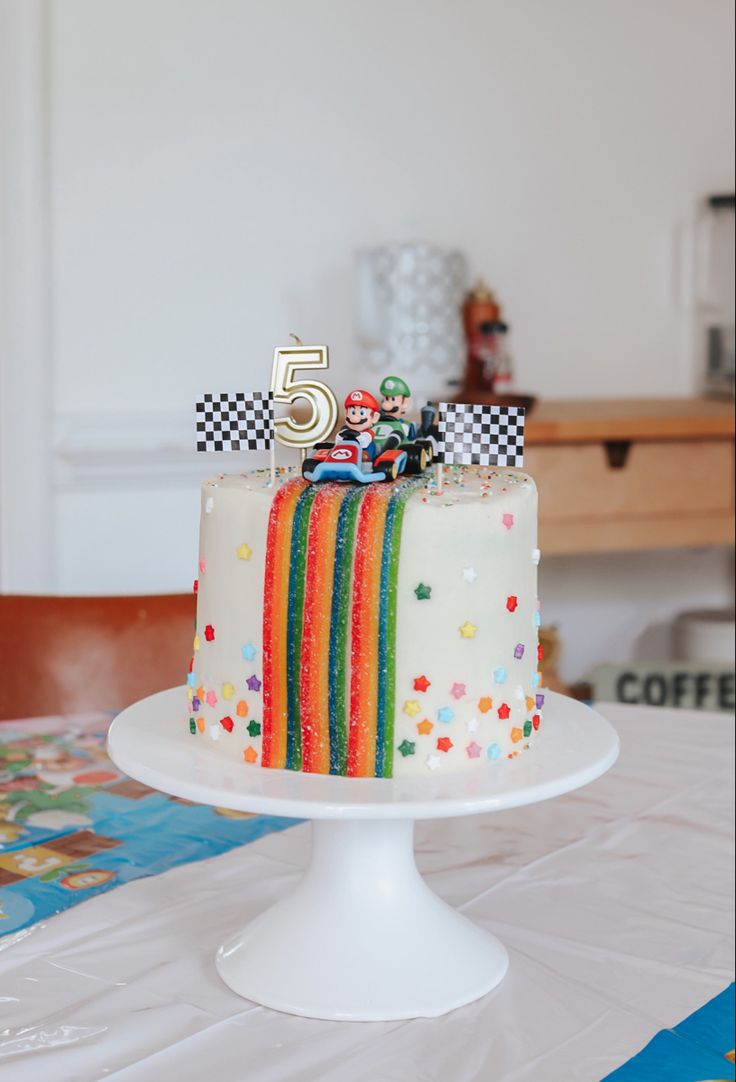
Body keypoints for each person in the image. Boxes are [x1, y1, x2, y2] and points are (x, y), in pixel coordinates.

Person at [334, 390, 381, 459]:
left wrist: (356, 436)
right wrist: (340, 436)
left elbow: (364, 442)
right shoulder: (345, 430)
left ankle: (365, 461)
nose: (354, 418)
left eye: (362, 413)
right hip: (345, 452)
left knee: (369, 447)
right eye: (352, 412)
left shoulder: (368, 433)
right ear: (346, 414)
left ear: (374, 417)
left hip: (363, 453)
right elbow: (338, 441)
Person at [378, 376, 416, 448]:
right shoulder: (376, 423)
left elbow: (412, 441)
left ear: (404, 403)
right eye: (386, 399)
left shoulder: (406, 425)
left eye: (393, 399)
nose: (387, 404)